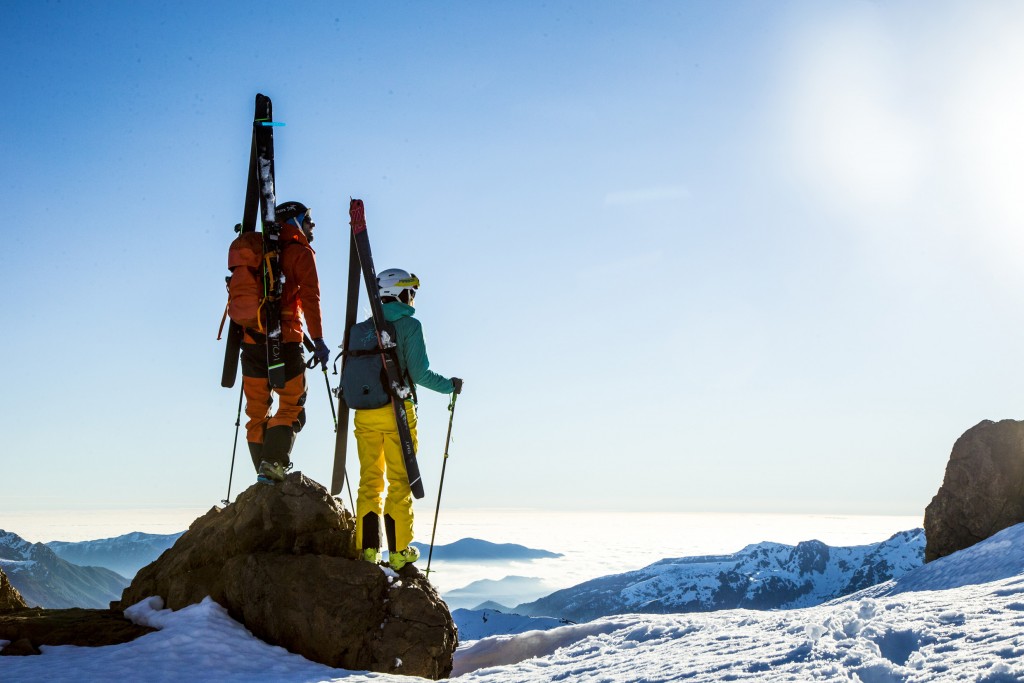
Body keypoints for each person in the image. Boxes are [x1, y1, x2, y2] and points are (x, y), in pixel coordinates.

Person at [353, 268, 462, 570]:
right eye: (410, 292)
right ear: (398, 293)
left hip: (364, 413)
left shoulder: (362, 328)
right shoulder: (409, 325)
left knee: (369, 480)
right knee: (399, 481)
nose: (412, 298)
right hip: (397, 412)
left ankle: (367, 550)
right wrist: (450, 386)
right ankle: (399, 550)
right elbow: (419, 373)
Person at [241, 201, 330, 484]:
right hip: (286, 339)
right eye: (308, 219)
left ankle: (264, 472)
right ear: (295, 220)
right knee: (292, 404)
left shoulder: (257, 252)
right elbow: (311, 298)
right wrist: (318, 339)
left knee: (256, 411)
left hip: (251, 340)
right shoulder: (299, 251)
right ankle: (273, 465)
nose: (312, 226)